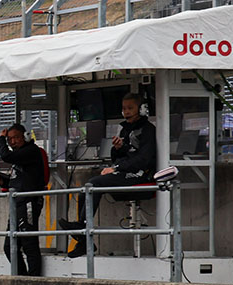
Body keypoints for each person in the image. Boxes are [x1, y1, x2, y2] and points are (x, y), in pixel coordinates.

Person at [58, 94, 158, 258]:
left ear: (141, 109)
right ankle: (83, 234)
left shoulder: (148, 130)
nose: (126, 112)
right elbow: (122, 155)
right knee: (85, 191)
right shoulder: (124, 129)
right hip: (124, 171)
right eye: (124, 108)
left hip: (140, 175)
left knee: (93, 185)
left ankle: (82, 230)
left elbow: (143, 159)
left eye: (130, 108)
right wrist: (118, 149)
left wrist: (116, 168)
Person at [0, 123, 46, 277]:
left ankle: (33, 281)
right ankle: (23, 278)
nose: (12, 142)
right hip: (17, 203)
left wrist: (0, 139)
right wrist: (2, 182)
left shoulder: (31, 151)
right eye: (9, 139)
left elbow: (6, 156)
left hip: (29, 202)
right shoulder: (19, 157)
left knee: (29, 243)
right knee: (9, 246)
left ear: (25, 136)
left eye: (16, 138)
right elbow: (19, 181)